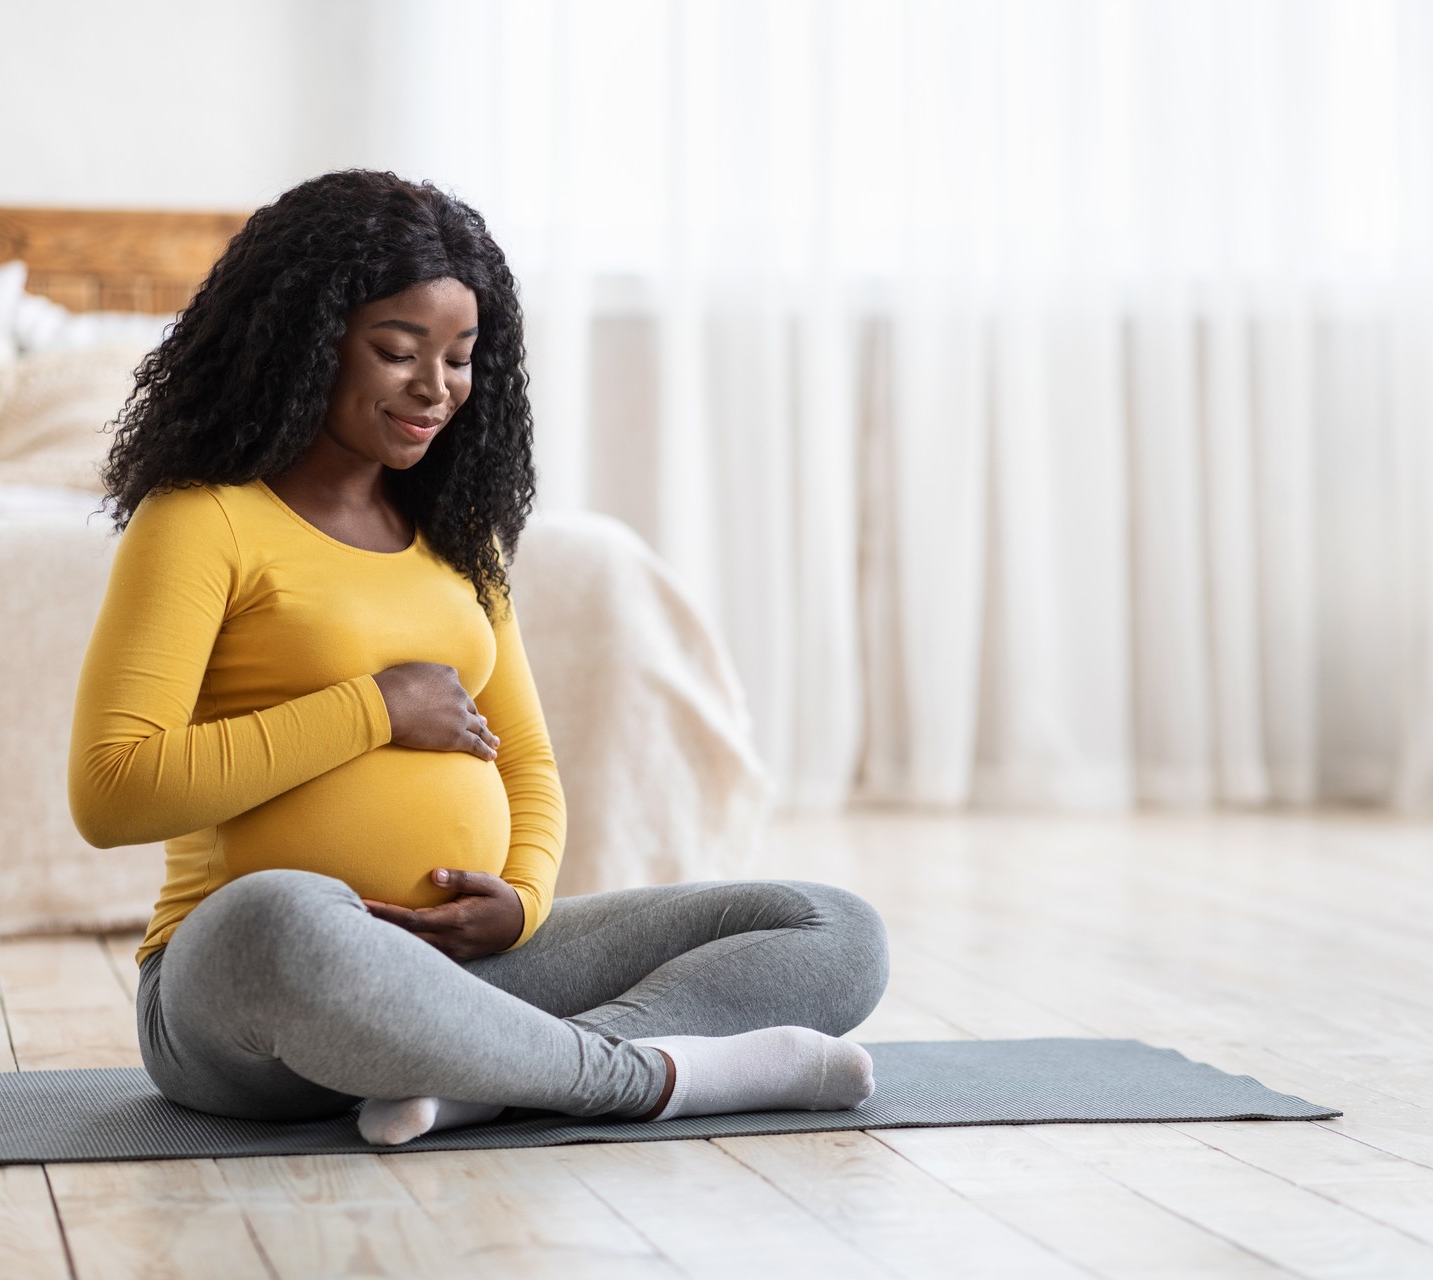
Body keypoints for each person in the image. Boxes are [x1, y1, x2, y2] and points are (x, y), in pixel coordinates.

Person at [68, 170, 888, 1146]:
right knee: (284, 913)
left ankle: (482, 1079)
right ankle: (634, 1075)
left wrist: (526, 899)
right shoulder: (201, 520)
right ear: (304, 339)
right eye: (398, 351)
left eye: (461, 357)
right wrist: (374, 707)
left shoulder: (459, 536)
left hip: (471, 974)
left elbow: (529, 767)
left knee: (830, 926)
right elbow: (113, 790)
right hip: (253, 992)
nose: (437, 388)